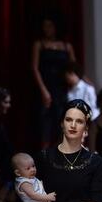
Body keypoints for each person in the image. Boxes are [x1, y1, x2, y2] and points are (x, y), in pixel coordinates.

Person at [32, 13, 76, 147]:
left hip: (62, 90)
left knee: (61, 125)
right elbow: (34, 68)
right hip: (46, 88)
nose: (47, 29)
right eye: (44, 26)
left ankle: (59, 159)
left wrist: (86, 83)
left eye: (49, 26)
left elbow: (74, 68)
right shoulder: (39, 44)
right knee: (45, 126)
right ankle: (44, 160)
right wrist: (43, 90)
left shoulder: (66, 46)